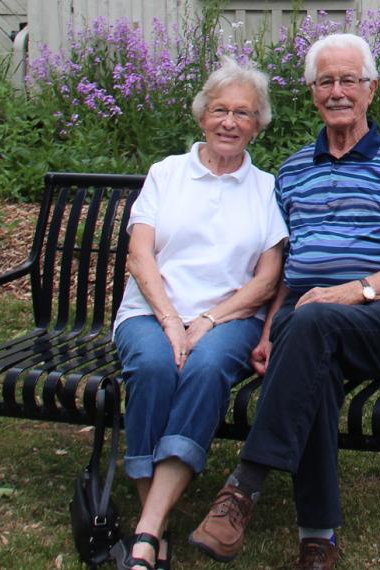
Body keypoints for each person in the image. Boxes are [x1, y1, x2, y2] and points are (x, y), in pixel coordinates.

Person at [188, 33, 380, 569]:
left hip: (379, 318)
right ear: (312, 94)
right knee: (313, 363)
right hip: (303, 322)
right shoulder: (295, 170)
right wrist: (265, 333)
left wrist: (354, 290)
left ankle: (243, 487)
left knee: (315, 323)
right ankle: (317, 539)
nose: (337, 91)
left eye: (349, 79)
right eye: (325, 81)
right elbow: (283, 268)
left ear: (370, 89)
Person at [110, 56, 288, 570]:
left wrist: (208, 320)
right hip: (150, 312)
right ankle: (157, 521)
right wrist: (169, 318)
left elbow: (267, 277)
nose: (230, 122)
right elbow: (139, 254)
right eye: (220, 110)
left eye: (244, 113)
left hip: (230, 319)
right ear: (201, 116)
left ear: (259, 124)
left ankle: (146, 531)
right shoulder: (167, 173)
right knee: (153, 364)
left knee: (207, 367)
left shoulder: (266, 187)